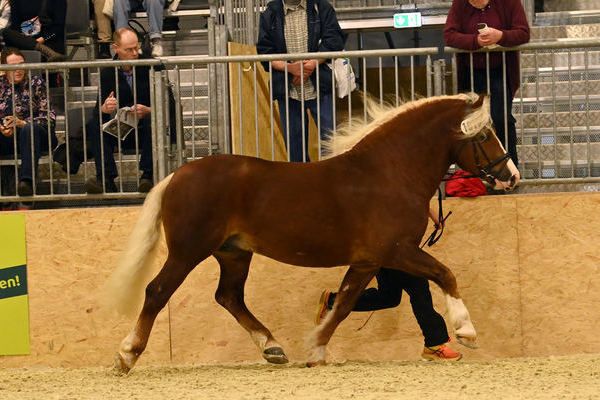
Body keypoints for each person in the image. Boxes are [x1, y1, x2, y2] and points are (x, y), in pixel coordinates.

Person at [315, 209, 462, 362]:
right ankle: (435, 344)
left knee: (389, 297)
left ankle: (333, 301)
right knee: (419, 288)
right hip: (392, 244)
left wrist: (431, 214)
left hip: (384, 243)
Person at [256, 0, 346, 162]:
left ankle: (333, 182)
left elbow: (334, 40)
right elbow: (264, 52)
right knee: (295, 148)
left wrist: (311, 64)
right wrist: (290, 69)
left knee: (332, 144)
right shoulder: (270, 13)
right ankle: (302, 185)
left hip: (320, 87)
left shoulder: (322, 7)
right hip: (288, 91)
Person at [443, 0, 530, 167]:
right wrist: (476, 41)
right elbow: (449, 35)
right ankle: (477, 172)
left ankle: (510, 170)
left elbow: (523, 32)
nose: (474, 2)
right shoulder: (460, 3)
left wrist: (501, 36)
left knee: (502, 120)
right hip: (470, 72)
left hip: (500, 70)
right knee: (472, 124)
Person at [83, 27, 154, 194]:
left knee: (154, 120)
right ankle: (106, 179)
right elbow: (98, 110)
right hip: (123, 130)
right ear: (116, 48)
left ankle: (148, 176)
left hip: (147, 129)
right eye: (129, 50)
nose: (135, 53)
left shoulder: (151, 65)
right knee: (95, 124)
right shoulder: (108, 71)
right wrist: (105, 108)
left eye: (136, 47)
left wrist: (149, 110)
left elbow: (170, 104)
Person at [0, 47, 57, 196]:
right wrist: (3, 126)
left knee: (28, 129)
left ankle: (27, 183)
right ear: (4, 69)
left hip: (38, 135)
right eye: (13, 66)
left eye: (22, 64)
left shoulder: (36, 82)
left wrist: (22, 123)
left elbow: (48, 118)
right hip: (9, 137)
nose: (19, 70)